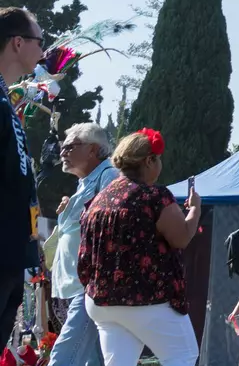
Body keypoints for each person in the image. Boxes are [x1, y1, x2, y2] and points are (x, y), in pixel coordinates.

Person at [77, 129, 201, 366]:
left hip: (101, 300)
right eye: (158, 159)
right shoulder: (154, 196)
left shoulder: (98, 200)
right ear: (149, 160)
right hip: (146, 299)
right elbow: (182, 237)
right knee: (182, 356)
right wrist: (195, 209)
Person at [47, 122, 118, 366]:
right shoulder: (85, 183)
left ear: (93, 149)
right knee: (93, 360)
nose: (62, 152)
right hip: (72, 286)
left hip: (88, 286)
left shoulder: (109, 177)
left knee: (63, 357)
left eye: (70, 147)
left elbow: (113, 225)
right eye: (62, 147)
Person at [0, 7, 45, 339]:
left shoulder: (5, 99)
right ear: (18, 42)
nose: (43, 51)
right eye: (39, 42)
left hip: (12, 253)